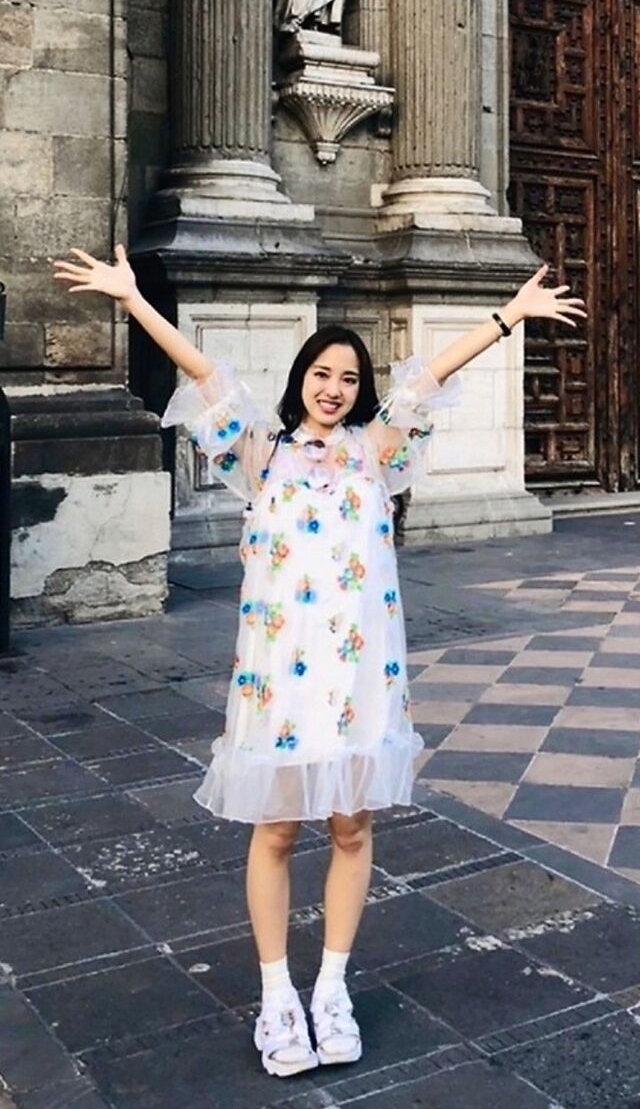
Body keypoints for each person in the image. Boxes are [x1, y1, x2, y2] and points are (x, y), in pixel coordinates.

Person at [53, 247, 585, 1077]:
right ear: (301, 378)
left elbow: (428, 378)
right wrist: (133, 302)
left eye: (348, 377)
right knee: (275, 829)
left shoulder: (376, 452)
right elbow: (206, 372)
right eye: (321, 373)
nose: (333, 388)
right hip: (277, 683)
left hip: (359, 682)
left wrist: (506, 316)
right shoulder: (261, 454)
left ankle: (331, 988)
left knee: (351, 826)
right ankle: (277, 996)